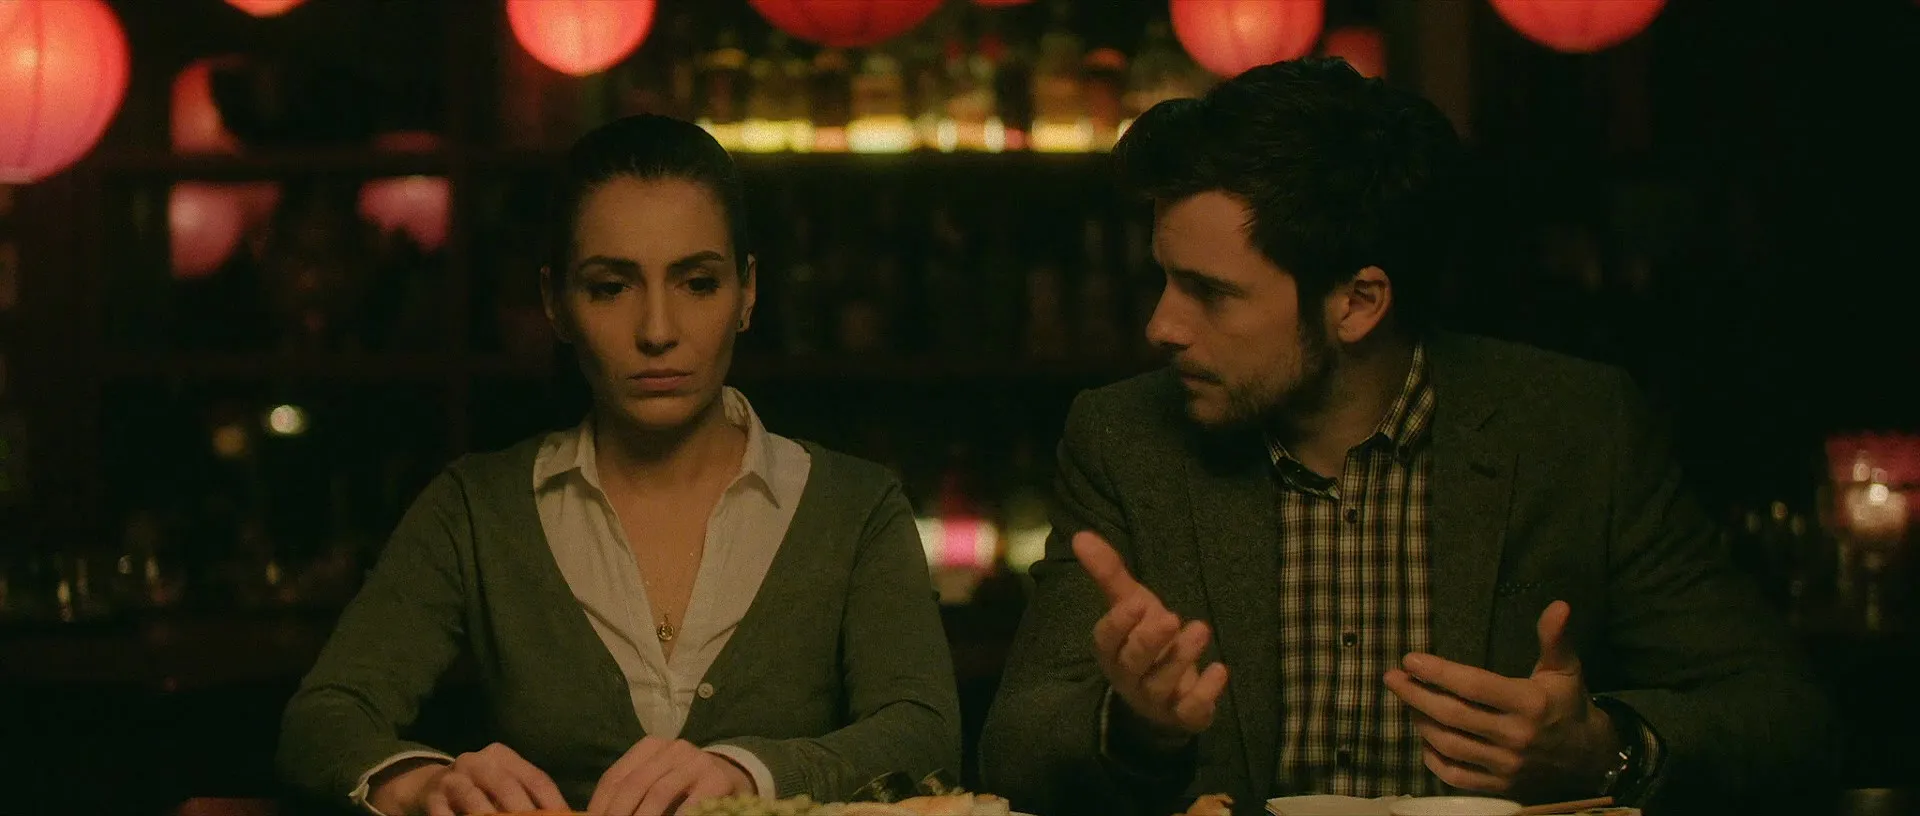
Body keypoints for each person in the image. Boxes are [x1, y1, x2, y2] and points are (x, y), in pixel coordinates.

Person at [979, 58, 1835, 816]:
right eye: (1165, 279)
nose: (1162, 325)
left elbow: (1784, 718)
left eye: (1211, 293)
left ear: (1358, 303)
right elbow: (1014, 749)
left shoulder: (1575, 429)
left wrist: (1607, 748)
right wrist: (1135, 727)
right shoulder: (1127, 438)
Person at [279, 115, 960, 816]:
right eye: (611, 287)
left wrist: (751, 774)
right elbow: (323, 718)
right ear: (556, 303)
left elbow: (925, 732)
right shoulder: (477, 509)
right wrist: (421, 782)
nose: (657, 331)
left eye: (698, 283)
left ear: (748, 293)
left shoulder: (854, 507)